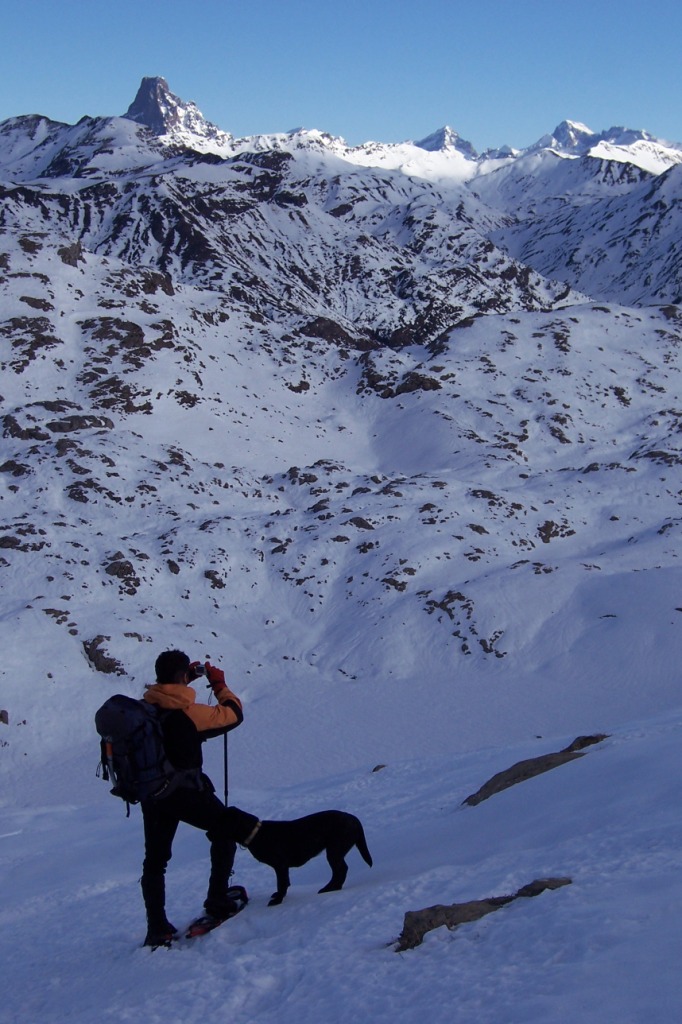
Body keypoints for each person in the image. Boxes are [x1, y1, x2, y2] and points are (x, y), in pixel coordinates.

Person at [139, 649, 244, 947]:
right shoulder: (189, 712)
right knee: (224, 832)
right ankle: (218, 900)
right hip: (185, 793)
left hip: (153, 795)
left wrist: (186, 676)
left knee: (155, 862)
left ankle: (157, 927)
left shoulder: (146, 707)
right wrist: (218, 684)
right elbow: (233, 714)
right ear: (183, 676)